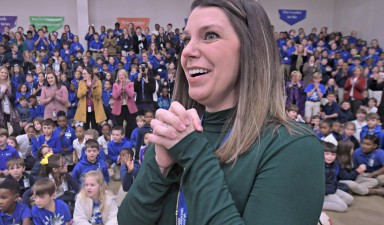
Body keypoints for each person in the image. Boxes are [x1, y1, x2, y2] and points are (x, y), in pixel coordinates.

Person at [118, 1, 324, 224]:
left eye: (210, 35)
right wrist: (158, 169)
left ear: (251, 48)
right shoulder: (174, 130)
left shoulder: (294, 146)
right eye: (187, 39)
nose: (187, 51)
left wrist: (194, 154)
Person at [322, 142, 354, 212]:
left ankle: (333, 201)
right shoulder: (319, 166)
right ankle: (316, 205)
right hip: (323, 192)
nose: (330, 156)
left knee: (350, 200)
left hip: (332, 188)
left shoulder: (335, 164)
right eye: (326, 154)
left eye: (333, 154)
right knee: (343, 207)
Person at [0, 66, 21, 135]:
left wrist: (7, 92)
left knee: (17, 130)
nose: (4, 74)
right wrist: (2, 93)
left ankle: (12, 143)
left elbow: (13, 98)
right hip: (0, 111)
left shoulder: (11, 84)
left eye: (5, 73)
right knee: (3, 133)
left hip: (11, 110)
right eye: (2, 72)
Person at [112, 69, 138, 138]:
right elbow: (115, 96)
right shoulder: (115, 85)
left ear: (125, 76)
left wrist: (125, 86)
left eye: (122, 75)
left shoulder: (130, 84)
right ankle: (119, 138)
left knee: (130, 124)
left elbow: (131, 95)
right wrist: (120, 87)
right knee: (119, 125)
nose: (121, 76)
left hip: (129, 107)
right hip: (119, 108)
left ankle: (128, 139)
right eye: (120, 75)